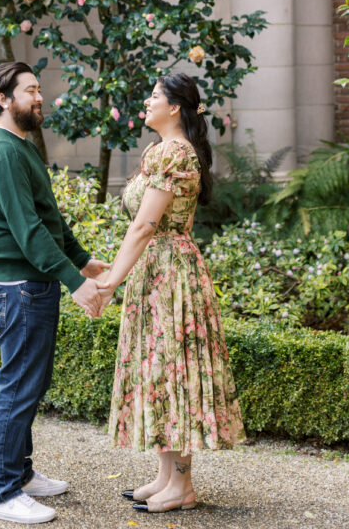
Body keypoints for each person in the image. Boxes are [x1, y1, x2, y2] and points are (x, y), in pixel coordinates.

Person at [96, 73, 246, 514]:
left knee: (173, 368)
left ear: (176, 107)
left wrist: (111, 281)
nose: (147, 100)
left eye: (155, 96)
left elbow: (145, 225)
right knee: (158, 369)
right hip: (158, 269)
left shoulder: (175, 153)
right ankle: (166, 476)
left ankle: (182, 485)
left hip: (168, 272)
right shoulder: (159, 151)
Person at [0, 60, 109, 525]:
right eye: (30, 90)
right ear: (3, 100)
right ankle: (1, 493)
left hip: (30, 286)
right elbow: (27, 230)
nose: (40, 97)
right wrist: (76, 285)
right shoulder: (3, 152)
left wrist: (83, 260)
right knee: (17, 387)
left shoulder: (20, 146)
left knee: (28, 384)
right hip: (18, 289)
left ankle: (20, 475)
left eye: (38, 89)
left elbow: (49, 219)